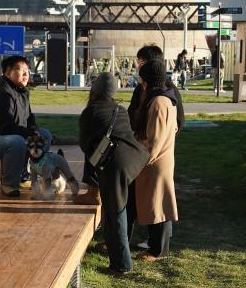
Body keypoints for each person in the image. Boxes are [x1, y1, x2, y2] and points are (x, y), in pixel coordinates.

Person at [75, 44, 183, 207]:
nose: (138, 67)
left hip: (148, 157)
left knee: (151, 209)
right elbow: (133, 116)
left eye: (140, 62)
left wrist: (138, 151)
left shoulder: (161, 99)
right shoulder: (146, 92)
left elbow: (166, 131)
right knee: (133, 206)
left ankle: (95, 193)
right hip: (141, 152)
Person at [78, 72, 149, 274]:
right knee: (117, 208)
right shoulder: (120, 110)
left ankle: (122, 265)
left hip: (115, 164)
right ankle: (115, 253)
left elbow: (84, 145)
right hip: (135, 159)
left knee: (115, 212)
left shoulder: (90, 112)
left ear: (94, 90)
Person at [0, 54, 51, 198]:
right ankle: (9, 183)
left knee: (45, 135)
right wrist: (29, 135)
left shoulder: (21, 92)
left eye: (27, 70)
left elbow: (29, 119)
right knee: (17, 142)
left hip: (5, 136)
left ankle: (24, 175)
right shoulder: (2, 93)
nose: (26, 73)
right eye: (20, 69)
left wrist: (34, 131)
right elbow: (5, 127)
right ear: (7, 72)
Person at [131, 59, 179, 261]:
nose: (140, 83)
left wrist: (140, 158)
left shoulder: (159, 102)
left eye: (142, 79)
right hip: (160, 159)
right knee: (157, 204)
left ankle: (158, 251)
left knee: (158, 206)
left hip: (156, 161)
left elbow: (155, 139)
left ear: (147, 80)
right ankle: (155, 248)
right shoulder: (165, 98)